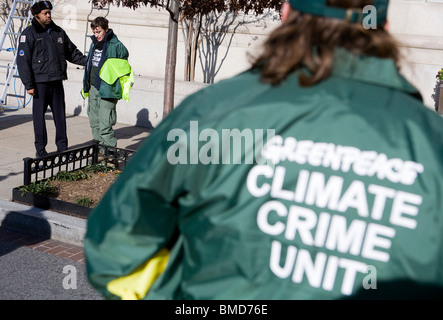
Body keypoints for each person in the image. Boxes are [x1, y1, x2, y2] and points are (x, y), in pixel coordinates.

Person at [84, 0, 443, 300]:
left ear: (285, 13)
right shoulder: (432, 147)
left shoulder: (212, 113)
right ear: (384, 25)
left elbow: (115, 253)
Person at [17, 1, 87, 158]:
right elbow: (23, 61)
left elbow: (71, 52)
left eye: (49, 12)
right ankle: (41, 150)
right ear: (37, 16)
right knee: (39, 119)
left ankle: (62, 147)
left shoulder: (57, 32)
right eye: (45, 13)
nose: (48, 15)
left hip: (56, 81)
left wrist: (88, 62)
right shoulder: (28, 34)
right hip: (39, 84)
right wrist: (29, 84)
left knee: (60, 117)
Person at [82, 16, 132, 153]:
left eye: (98, 32)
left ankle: (110, 156)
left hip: (107, 89)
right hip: (92, 87)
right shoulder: (94, 43)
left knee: (105, 123)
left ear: (106, 29)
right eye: (94, 32)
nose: (96, 35)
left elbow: (123, 64)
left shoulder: (116, 45)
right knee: (94, 121)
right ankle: (100, 153)